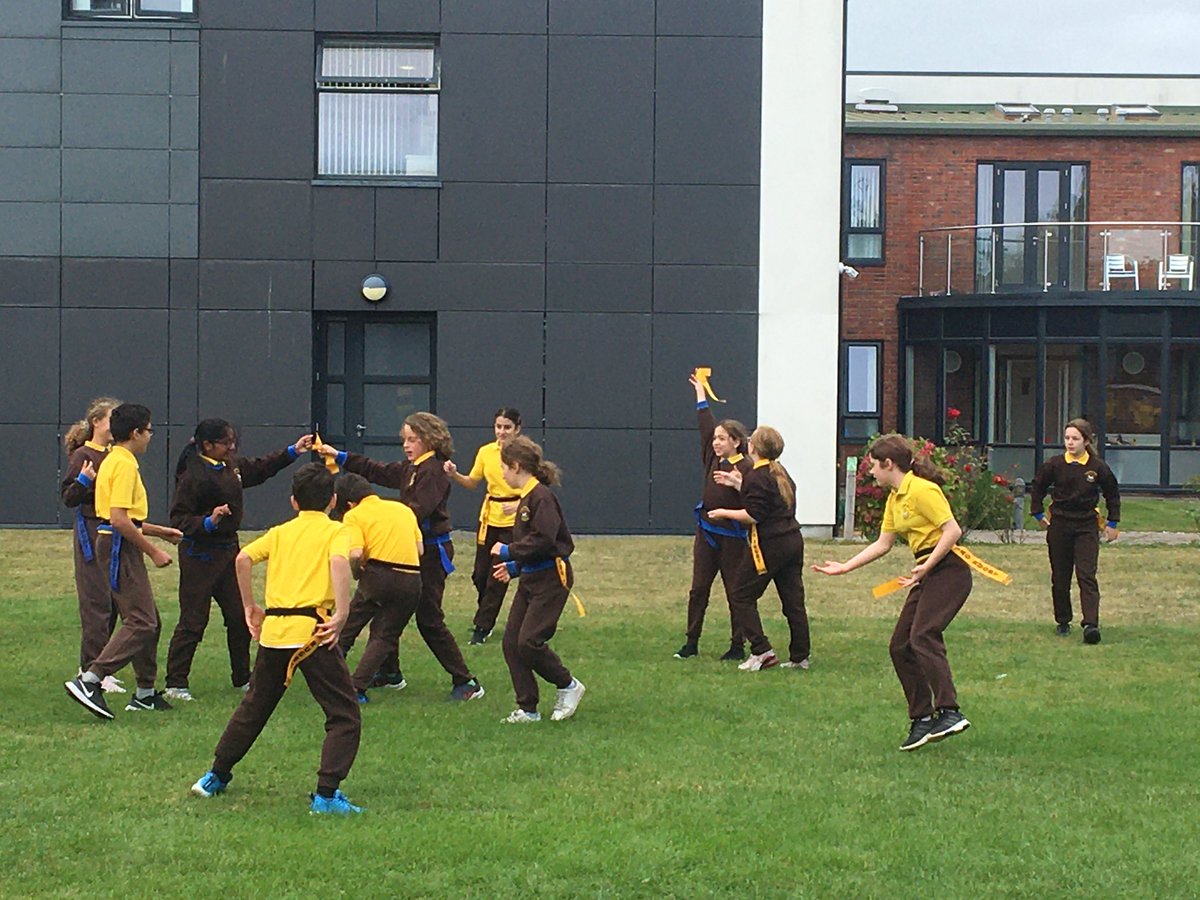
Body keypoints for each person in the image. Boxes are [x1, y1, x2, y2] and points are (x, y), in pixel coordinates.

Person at [189, 463, 363, 814]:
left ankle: (215, 776)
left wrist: (250, 606)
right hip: (313, 633)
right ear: (333, 501)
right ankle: (327, 796)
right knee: (344, 714)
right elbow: (341, 564)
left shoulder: (281, 532)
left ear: (293, 502)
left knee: (255, 706)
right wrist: (342, 614)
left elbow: (242, 559)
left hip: (275, 633)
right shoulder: (336, 532)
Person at [812, 433, 972, 752]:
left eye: (874, 466)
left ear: (889, 464)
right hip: (925, 571)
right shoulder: (895, 498)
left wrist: (927, 567)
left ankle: (950, 712)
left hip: (948, 571)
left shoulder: (923, 489)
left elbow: (952, 530)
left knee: (923, 635)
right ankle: (922, 719)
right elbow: (883, 544)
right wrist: (845, 566)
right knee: (900, 646)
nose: (871, 472)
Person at [318, 412, 484, 701]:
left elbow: (417, 511)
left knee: (429, 619)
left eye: (412, 440)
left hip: (430, 551)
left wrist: (383, 522)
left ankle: (466, 682)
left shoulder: (433, 471)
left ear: (429, 440)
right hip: (412, 547)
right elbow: (378, 470)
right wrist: (340, 456)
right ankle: (390, 673)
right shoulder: (413, 467)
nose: (406, 446)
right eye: (404, 440)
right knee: (390, 608)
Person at [164, 420, 315, 701]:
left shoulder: (230, 466)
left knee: (239, 617)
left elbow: (259, 468)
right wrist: (208, 522)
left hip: (227, 553)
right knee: (193, 620)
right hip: (199, 555)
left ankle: (242, 678)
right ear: (207, 445)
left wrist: (293, 451)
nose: (231, 447)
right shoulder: (192, 474)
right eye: (225, 442)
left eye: (233, 442)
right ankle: (176, 683)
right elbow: (179, 519)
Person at [64, 403, 183, 720]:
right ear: (136, 432)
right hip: (118, 545)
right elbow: (118, 520)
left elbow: (119, 515)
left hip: (114, 539)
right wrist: (153, 550)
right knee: (141, 621)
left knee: (148, 619)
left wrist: (160, 532)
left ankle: (144, 693)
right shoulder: (124, 464)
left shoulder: (114, 459)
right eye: (149, 430)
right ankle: (90, 680)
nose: (150, 437)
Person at [490, 436, 585, 724]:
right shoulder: (526, 498)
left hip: (551, 579)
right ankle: (528, 709)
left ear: (516, 466)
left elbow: (544, 540)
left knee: (529, 641)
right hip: (531, 577)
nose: (502, 473)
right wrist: (516, 567)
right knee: (511, 643)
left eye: (504, 467)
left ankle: (568, 685)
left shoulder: (541, 497)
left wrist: (509, 550)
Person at [708, 426, 810, 672]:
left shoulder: (756, 475)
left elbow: (754, 514)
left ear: (753, 447)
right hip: (793, 541)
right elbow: (767, 499)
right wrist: (738, 484)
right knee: (793, 601)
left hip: (770, 545)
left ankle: (761, 650)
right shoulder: (780, 472)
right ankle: (800, 657)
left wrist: (723, 512)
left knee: (741, 594)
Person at [673, 374, 751, 661]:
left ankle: (737, 645)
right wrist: (700, 395)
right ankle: (691, 642)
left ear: (737, 442)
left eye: (722, 439)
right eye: (715, 439)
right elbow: (704, 427)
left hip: (735, 537)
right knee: (699, 589)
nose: (716, 442)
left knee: (736, 591)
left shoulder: (747, 465)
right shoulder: (712, 458)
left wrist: (738, 484)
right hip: (707, 533)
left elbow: (757, 501)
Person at [333, 473, 423, 703]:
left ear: (349, 504)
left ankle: (331, 674)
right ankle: (358, 687)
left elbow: (355, 553)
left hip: (378, 574)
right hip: (411, 578)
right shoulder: (403, 509)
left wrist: (357, 573)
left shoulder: (354, 515)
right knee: (384, 635)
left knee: (350, 624)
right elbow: (420, 549)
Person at [1030, 418, 1121, 644]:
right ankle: (1063, 620)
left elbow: (1112, 495)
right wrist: (1039, 514)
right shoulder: (1055, 464)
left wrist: (1112, 524)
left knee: (1086, 574)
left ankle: (1091, 624)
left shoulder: (1098, 467)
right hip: (1060, 524)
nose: (1070, 443)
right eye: (1067, 438)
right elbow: (1038, 487)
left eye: (1075, 439)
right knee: (1060, 576)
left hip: (1086, 525)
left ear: (1086, 441)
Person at [60, 396, 124, 693]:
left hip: (110, 531)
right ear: (97, 422)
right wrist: (84, 481)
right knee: (96, 602)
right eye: (112, 419)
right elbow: (68, 497)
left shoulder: (114, 454)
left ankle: (103, 665)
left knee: (112, 602)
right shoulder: (84, 455)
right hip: (91, 530)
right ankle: (90, 669)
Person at [444, 407, 523, 646]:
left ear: (517, 429)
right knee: (480, 574)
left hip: (512, 522)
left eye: (507, 427)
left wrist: (520, 504)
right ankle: (487, 612)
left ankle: (482, 626)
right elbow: (471, 482)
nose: (502, 432)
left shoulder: (524, 453)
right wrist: (455, 474)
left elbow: (537, 486)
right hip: (489, 519)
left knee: (497, 575)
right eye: (498, 426)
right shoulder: (486, 452)